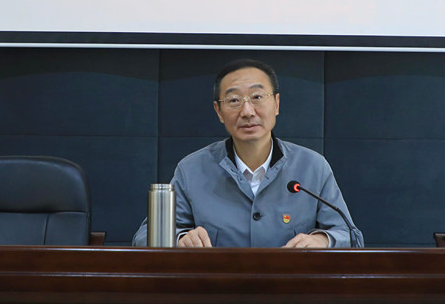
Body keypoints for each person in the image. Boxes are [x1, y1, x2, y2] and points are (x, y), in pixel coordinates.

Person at [132, 59, 363, 248]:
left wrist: (323, 240)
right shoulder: (192, 169)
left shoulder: (312, 167)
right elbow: (143, 237)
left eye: (257, 97)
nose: (247, 111)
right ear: (219, 111)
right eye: (234, 100)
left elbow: (351, 237)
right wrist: (181, 239)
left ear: (277, 104)